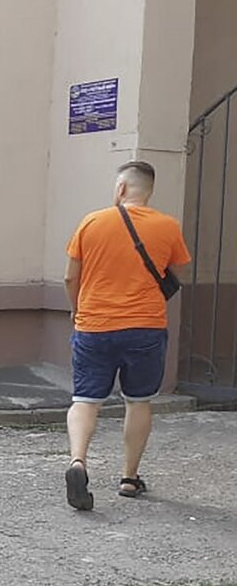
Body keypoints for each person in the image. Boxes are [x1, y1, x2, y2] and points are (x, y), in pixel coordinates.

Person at [64, 160, 191, 511]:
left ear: (121, 188)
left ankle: (78, 462)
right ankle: (129, 478)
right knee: (138, 400)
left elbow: (70, 277)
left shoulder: (92, 222)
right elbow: (179, 271)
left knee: (85, 400)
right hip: (145, 327)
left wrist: (77, 310)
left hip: (94, 325)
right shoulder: (168, 226)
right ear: (148, 191)